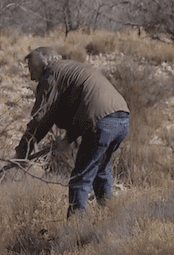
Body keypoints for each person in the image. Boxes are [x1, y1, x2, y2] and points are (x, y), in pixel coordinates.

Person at [14, 47, 131, 217]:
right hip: (121, 119)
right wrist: (68, 138)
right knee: (101, 170)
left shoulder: (52, 73)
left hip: (100, 122)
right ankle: (111, 217)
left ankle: (76, 230)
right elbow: (82, 104)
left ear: (45, 63)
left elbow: (42, 117)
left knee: (80, 179)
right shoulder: (73, 68)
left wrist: (23, 149)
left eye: (33, 69)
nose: (32, 76)